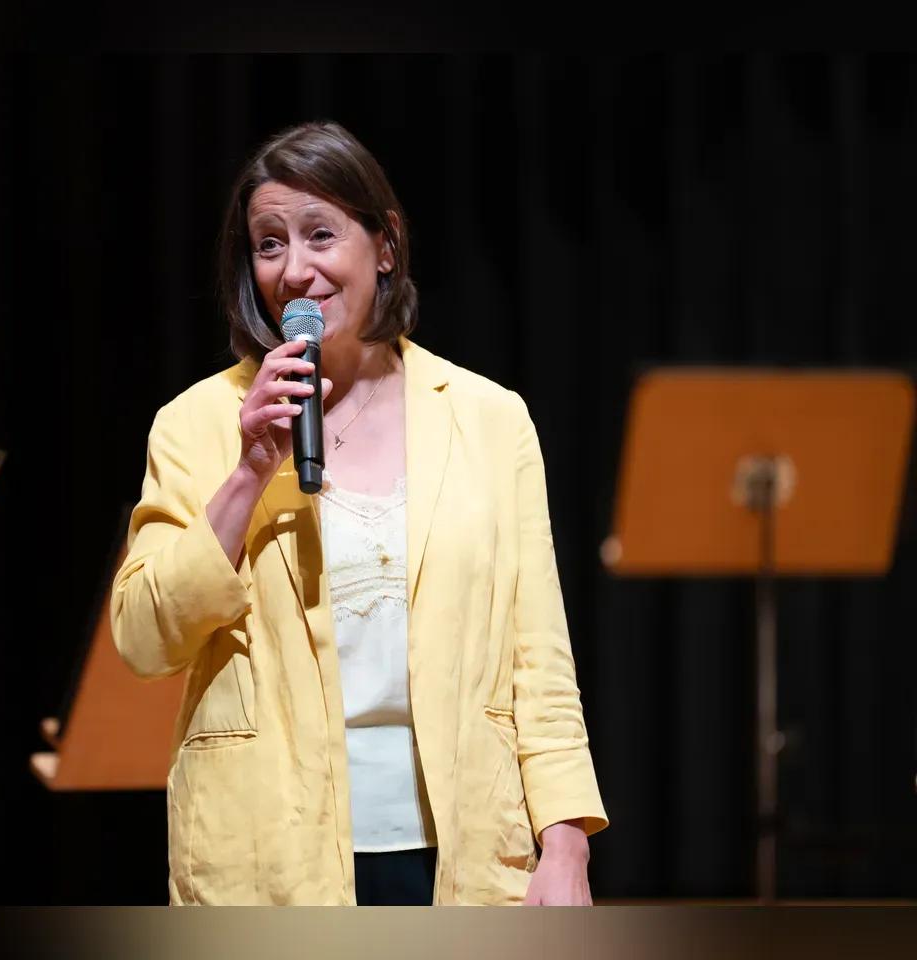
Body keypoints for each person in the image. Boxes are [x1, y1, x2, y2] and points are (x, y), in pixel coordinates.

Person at [111, 121, 607, 906]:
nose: (294, 270)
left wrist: (567, 843)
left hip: (465, 847)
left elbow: (539, 657)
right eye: (269, 244)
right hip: (266, 855)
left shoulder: (489, 417)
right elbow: (143, 638)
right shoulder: (199, 422)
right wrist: (248, 474)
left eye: (320, 235)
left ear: (385, 244)